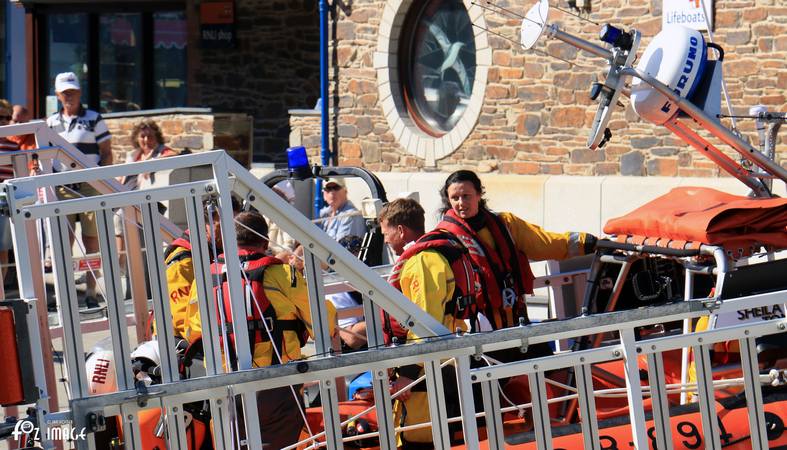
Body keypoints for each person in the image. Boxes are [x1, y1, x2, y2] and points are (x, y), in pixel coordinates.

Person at [184, 211, 337, 449]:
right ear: (265, 243)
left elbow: (192, 333)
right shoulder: (282, 274)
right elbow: (324, 324)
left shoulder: (204, 279)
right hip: (278, 387)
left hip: (225, 386)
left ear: (226, 242)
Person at [378, 197, 482, 446]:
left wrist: (409, 375)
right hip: (444, 358)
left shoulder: (421, 262)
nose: (385, 240)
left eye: (386, 233)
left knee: (420, 437)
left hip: (428, 368)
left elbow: (424, 321)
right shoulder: (433, 255)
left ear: (400, 230)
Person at [46, 72, 113, 308]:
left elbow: (106, 151)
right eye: (65, 93)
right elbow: (43, 153)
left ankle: (91, 292)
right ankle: (63, 293)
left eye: (72, 92)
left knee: (91, 239)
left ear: (79, 92)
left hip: (89, 184)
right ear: (57, 95)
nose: (69, 97)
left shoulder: (94, 118)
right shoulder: (51, 122)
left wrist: (103, 180)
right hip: (61, 184)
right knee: (62, 240)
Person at [115, 120, 178, 276]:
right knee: (117, 216)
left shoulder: (160, 151)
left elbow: (174, 155)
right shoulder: (134, 155)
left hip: (148, 200)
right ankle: (121, 263)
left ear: (156, 137)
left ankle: (120, 263)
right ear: (137, 138)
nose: (146, 140)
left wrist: (152, 164)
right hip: (128, 195)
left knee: (121, 217)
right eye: (142, 136)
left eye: (150, 136)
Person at [0, 100, 20, 282]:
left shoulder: (14, 147)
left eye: (6, 117)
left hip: (4, 200)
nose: (3, 121)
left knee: (3, 250)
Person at [319, 178, 366, 242]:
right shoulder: (324, 214)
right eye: (328, 189)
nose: (332, 192)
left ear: (345, 191)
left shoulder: (351, 216)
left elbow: (341, 249)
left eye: (336, 188)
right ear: (324, 194)